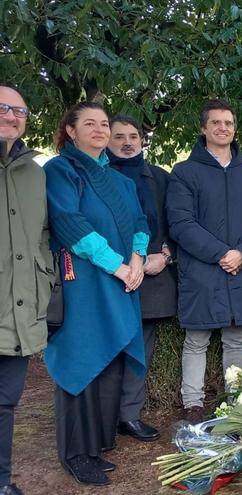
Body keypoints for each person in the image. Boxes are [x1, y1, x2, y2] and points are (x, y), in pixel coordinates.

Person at [44, 101, 148, 485]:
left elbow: (140, 221)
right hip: (84, 279)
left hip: (123, 278)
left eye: (104, 123)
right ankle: (75, 452)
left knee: (113, 360)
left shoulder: (121, 180)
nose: (100, 129)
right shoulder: (60, 170)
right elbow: (70, 222)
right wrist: (118, 265)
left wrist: (137, 259)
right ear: (70, 130)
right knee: (83, 356)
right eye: (89, 123)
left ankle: (98, 444)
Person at [166, 99, 242, 423]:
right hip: (202, 270)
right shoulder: (184, 172)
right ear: (203, 128)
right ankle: (192, 404)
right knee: (197, 339)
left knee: (235, 339)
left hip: (240, 268)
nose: (223, 128)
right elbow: (181, 224)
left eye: (229, 123)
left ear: (235, 130)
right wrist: (221, 253)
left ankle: (234, 399)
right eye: (216, 123)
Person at [106, 114, 175, 442]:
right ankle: (102, 416)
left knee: (140, 349)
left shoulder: (159, 177)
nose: (127, 142)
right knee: (106, 348)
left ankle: (128, 415)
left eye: (133, 136)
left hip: (151, 276)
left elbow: (176, 223)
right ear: (107, 140)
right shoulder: (97, 175)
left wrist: (165, 255)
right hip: (108, 274)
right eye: (119, 136)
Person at [0, 86, 50, 495]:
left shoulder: (34, 171)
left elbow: (41, 238)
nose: (11, 116)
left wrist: (44, 282)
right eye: (2, 107)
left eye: (19, 109)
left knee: (5, 403)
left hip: (18, 310)